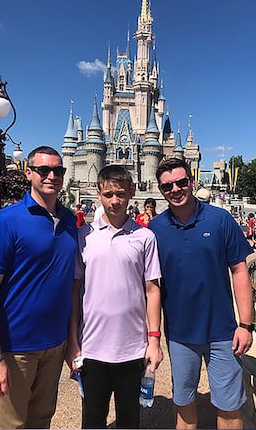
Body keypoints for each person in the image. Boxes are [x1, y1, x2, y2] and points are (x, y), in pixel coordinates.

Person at [148, 157, 254, 429]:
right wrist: (153, 336)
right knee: (183, 404)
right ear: (161, 190)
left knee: (229, 407)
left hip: (223, 332)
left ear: (191, 182)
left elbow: (239, 271)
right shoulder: (155, 230)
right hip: (181, 335)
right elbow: (151, 287)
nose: (175, 190)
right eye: (167, 186)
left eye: (181, 182)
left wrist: (245, 325)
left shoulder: (220, 220)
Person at [0, 146, 78, 429]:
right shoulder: (7, 221)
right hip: (15, 347)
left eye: (58, 170)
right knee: (10, 425)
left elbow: (71, 285)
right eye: (44, 170)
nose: (52, 176)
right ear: (29, 173)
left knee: (40, 421)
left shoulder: (70, 222)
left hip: (54, 346)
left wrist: (71, 342)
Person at [66, 165, 163, 429]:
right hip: (92, 347)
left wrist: (154, 341)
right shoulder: (84, 236)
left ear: (131, 193)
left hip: (132, 348)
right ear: (99, 194)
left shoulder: (145, 237)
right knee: (93, 418)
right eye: (108, 194)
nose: (115, 200)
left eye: (120, 193)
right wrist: (73, 341)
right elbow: (75, 290)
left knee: (129, 419)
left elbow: (152, 290)